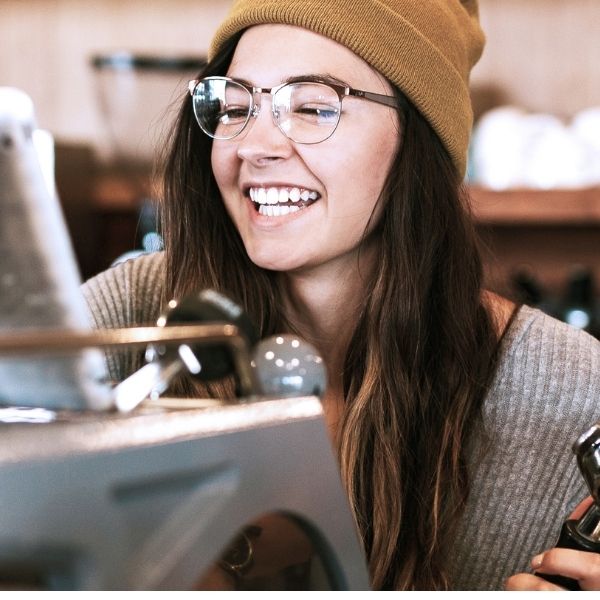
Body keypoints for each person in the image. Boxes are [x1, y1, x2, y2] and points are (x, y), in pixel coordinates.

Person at [81, 0, 600, 591]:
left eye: (312, 107)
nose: (254, 146)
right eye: (234, 106)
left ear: (418, 139)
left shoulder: (571, 392)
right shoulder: (127, 319)